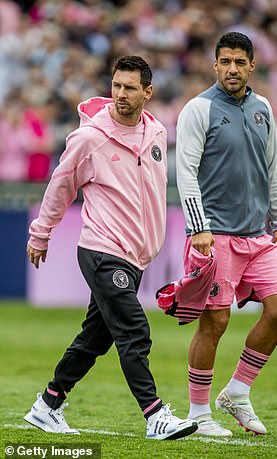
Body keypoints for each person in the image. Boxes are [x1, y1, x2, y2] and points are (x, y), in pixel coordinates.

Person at [24, 55, 198, 440]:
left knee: (95, 339)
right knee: (135, 330)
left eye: (129, 87)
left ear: (147, 93)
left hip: (135, 256)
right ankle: (155, 416)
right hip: (102, 249)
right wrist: (41, 232)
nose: (120, 94)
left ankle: (47, 405)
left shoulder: (155, 133)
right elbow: (60, 186)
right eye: (116, 86)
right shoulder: (90, 138)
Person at [176, 32, 277, 437]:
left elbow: (273, 170)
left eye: (239, 62)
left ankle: (238, 391)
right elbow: (185, 172)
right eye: (224, 61)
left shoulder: (263, 108)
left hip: (257, 236)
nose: (232, 69)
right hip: (215, 235)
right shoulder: (198, 109)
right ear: (214, 65)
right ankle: (197, 412)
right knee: (215, 322)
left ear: (251, 66)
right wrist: (199, 228)